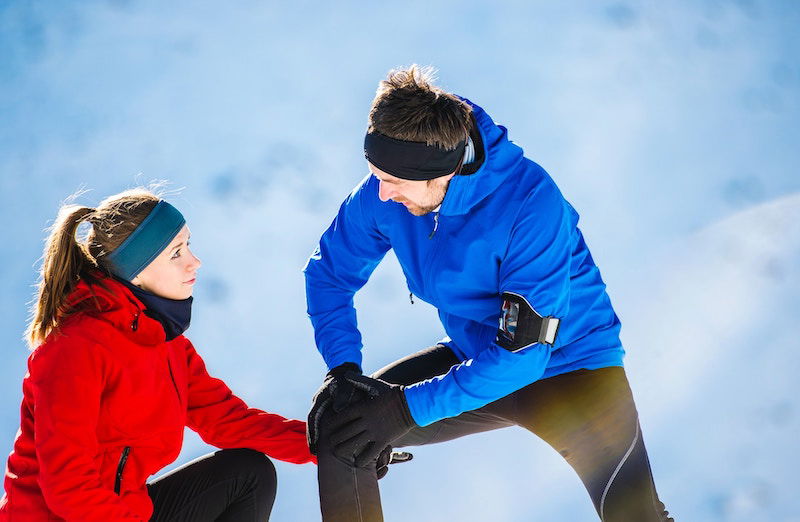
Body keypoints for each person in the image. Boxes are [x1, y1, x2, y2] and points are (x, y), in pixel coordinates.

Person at [304, 66, 673, 521]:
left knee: (635, 516)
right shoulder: (384, 193)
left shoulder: (532, 204)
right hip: (474, 356)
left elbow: (523, 356)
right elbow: (329, 275)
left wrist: (402, 410)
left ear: (440, 173)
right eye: (375, 174)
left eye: (392, 179)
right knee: (345, 431)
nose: (381, 193)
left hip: (573, 372)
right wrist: (342, 369)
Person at [0, 188, 316, 521]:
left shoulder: (165, 343)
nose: (194, 262)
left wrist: (324, 443)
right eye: (176, 253)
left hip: (126, 510)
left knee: (248, 474)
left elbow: (226, 420)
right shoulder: (75, 349)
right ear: (136, 270)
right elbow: (69, 487)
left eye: (188, 245)